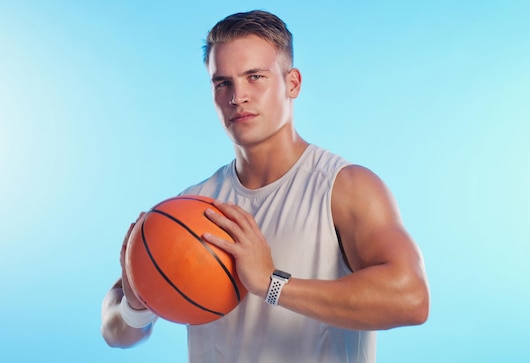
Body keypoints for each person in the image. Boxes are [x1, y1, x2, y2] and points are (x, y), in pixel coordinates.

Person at [101, 9, 429, 362]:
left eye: (254, 77)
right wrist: (136, 304)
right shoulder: (192, 205)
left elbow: (411, 299)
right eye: (222, 82)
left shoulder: (344, 187)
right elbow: (116, 332)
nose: (237, 96)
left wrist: (270, 283)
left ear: (293, 83)